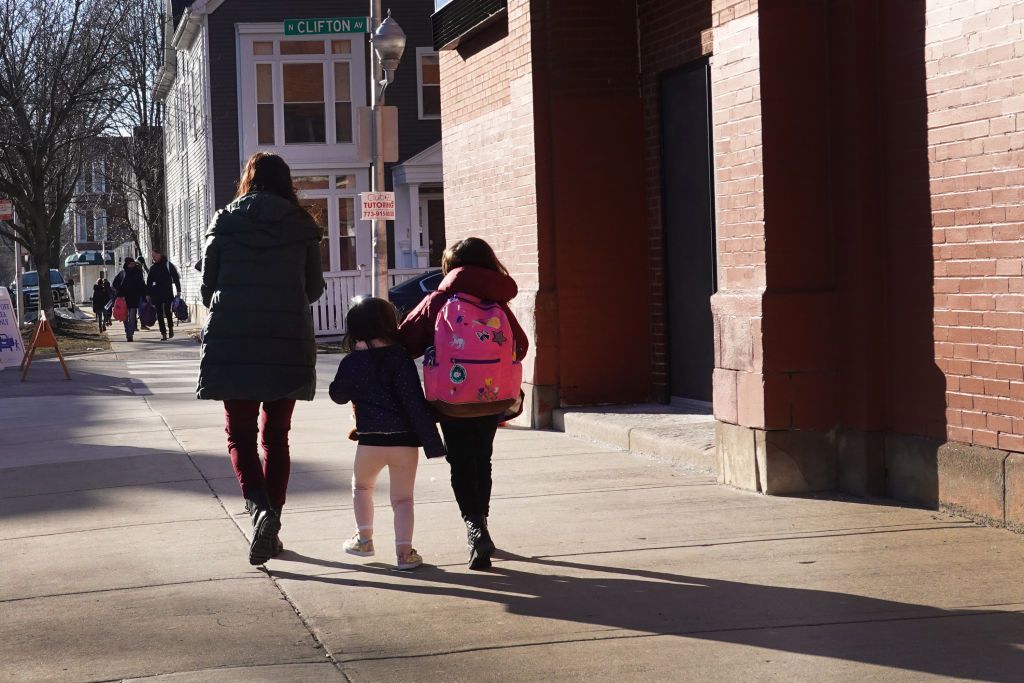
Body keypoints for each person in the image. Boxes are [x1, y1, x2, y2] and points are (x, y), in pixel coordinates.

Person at [197, 152, 325, 566]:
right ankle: (273, 524)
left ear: (248, 179)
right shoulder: (301, 226)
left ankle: (260, 511)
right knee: (276, 437)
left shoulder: (225, 222)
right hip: (285, 340)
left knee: (240, 436)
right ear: (286, 181)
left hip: (233, 341)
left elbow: (206, 288)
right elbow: (314, 288)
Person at [399, 237, 529, 570]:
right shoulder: (497, 303)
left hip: (452, 402)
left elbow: (405, 343)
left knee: (460, 463)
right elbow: (522, 346)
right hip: (491, 399)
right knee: (481, 459)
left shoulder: (438, 301)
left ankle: (474, 528)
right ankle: (481, 524)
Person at [328, 297, 446, 571]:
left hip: (369, 441)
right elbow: (414, 402)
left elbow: (337, 395)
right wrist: (432, 443)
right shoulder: (400, 358)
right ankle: (405, 554)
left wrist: (355, 363)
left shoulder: (352, 361)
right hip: (404, 442)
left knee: (362, 487)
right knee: (403, 498)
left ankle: (364, 539)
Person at [146, 248, 181, 340]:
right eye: (152, 257)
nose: (153, 258)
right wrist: (148, 294)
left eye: (154, 256)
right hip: (156, 294)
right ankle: (163, 333)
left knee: (168, 311)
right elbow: (149, 282)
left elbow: (176, 278)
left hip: (167, 292)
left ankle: (170, 328)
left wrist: (178, 291)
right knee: (159, 313)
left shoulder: (168, 265)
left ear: (159, 254)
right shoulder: (153, 268)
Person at [111, 257, 146, 342]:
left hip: (134, 298)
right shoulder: (122, 273)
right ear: (127, 264)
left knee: (132, 317)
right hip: (123, 300)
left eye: (133, 263)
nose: (132, 265)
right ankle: (128, 332)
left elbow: (141, 285)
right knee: (125, 317)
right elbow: (114, 285)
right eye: (130, 263)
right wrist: (119, 295)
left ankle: (130, 334)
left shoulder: (138, 273)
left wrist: (145, 294)